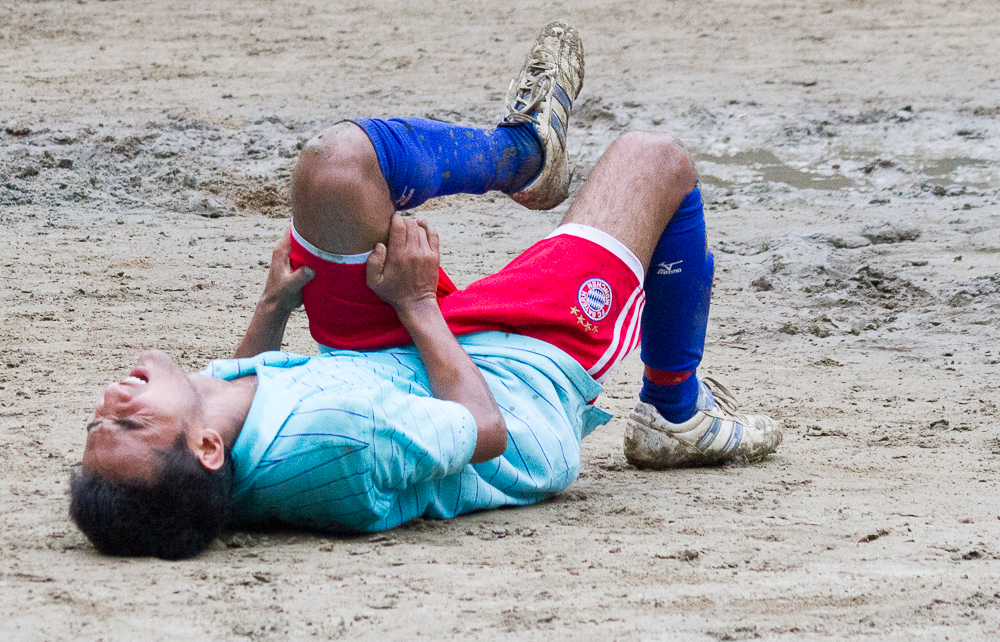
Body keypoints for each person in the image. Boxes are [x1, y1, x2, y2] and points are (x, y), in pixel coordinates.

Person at [71, 20, 782, 560]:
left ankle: (524, 157)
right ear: (203, 449)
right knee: (654, 160)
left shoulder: (210, 436)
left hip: (394, 356)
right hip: (511, 380)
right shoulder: (339, 444)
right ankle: (674, 412)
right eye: (130, 422)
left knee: (334, 169)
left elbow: (240, 378)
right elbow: (484, 430)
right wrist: (415, 304)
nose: (111, 402)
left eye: (97, 422)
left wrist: (273, 308)